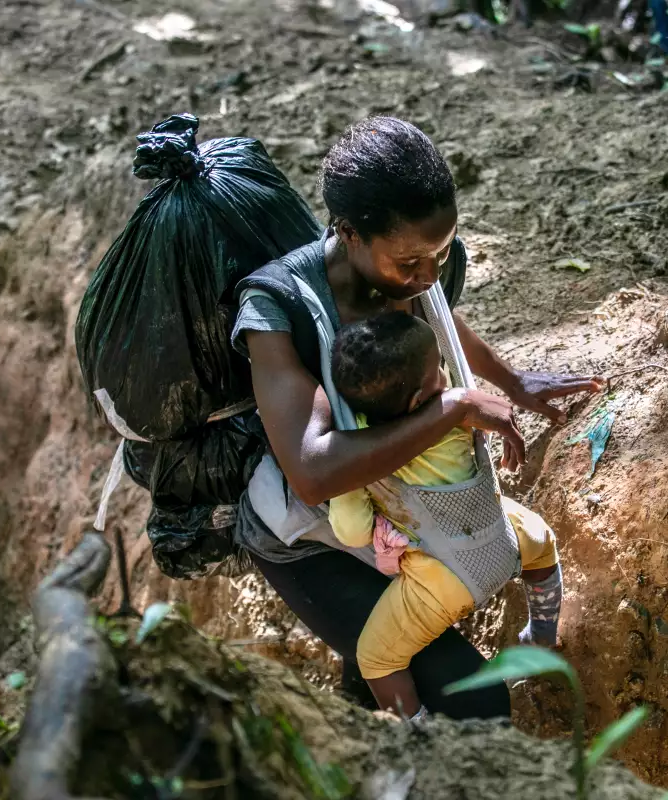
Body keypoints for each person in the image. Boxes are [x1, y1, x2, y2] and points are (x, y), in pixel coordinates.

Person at [232, 116, 602, 720]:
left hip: (402, 524)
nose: (430, 276)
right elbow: (312, 471)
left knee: (389, 665)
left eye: (442, 251)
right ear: (349, 233)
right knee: (472, 699)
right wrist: (455, 407)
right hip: (312, 537)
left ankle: (374, 749)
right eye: (410, 262)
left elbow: (433, 324)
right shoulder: (278, 308)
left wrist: (510, 379)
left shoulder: (415, 269)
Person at [326, 311, 562, 719]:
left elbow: (351, 531)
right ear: (420, 398)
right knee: (543, 544)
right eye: (439, 365)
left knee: (377, 660)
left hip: (441, 582)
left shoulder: (361, 452)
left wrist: (374, 522)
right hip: (508, 540)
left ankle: (419, 733)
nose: (445, 371)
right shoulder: (459, 414)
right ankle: (541, 634)